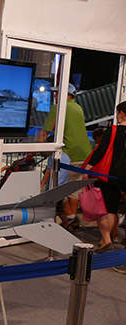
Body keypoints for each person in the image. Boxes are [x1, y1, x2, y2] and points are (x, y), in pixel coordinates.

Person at [37, 83, 92, 230]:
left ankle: (57, 222)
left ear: (63, 94)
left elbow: (45, 132)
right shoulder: (78, 108)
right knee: (73, 191)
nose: (55, 95)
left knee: (57, 191)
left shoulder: (58, 108)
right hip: (85, 155)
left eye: (57, 93)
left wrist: (36, 148)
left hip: (68, 155)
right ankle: (72, 220)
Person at [83, 100, 126, 253]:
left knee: (103, 208)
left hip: (109, 175)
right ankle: (108, 239)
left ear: (121, 113)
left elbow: (101, 150)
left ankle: (107, 240)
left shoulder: (113, 131)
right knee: (113, 209)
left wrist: (88, 168)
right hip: (123, 177)